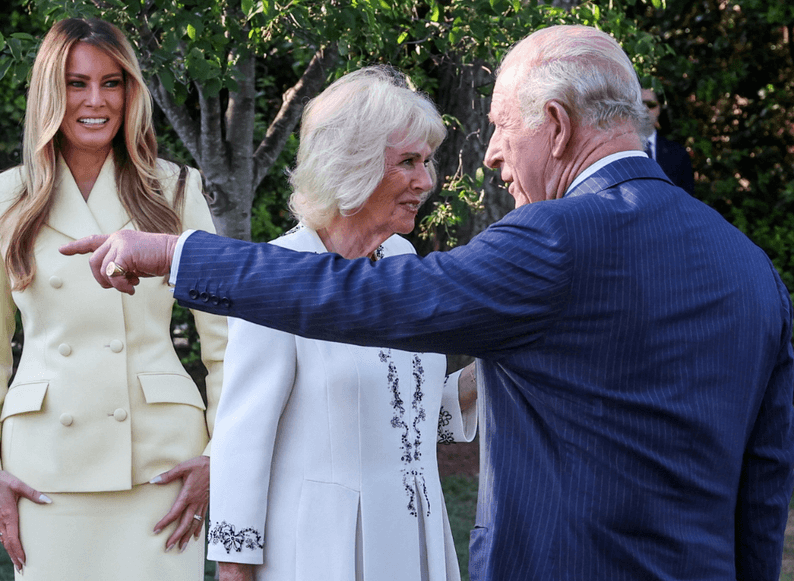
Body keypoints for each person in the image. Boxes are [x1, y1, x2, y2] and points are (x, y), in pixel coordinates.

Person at [62, 24, 794, 581]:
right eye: (411, 159)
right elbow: (763, 489)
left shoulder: (552, 241)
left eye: (504, 129)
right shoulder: (754, 271)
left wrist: (176, 251)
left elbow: (372, 302)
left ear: (559, 126)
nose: (491, 157)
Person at [0, 18, 227, 580]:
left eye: (112, 83)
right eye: (77, 83)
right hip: (45, 466)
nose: (96, 101)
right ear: (50, 92)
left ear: (131, 93)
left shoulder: (176, 189)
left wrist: (221, 453)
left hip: (161, 464)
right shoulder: (2, 197)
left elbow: (224, 344)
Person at [205, 66, 476, 581]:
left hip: (415, 540)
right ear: (352, 165)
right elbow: (243, 439)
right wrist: (234, 569)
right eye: (408, 162)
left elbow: (403, 417)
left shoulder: (402, 259)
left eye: (427, 161)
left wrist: (482, 377)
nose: (426, 180)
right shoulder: (282, 272)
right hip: (320, 552)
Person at [641, 84, 695, 195]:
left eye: (651, 104)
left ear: (658, 109)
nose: (645, 109)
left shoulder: (678, 153)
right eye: (640, 104)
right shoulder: (617, 151)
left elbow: (688, 197)